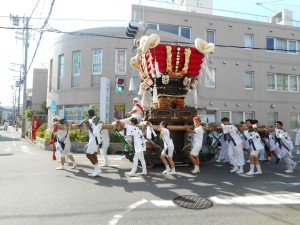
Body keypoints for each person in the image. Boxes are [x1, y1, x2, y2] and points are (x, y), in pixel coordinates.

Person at [77, 109, 102, 177]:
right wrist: (84, 122)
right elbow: (81, 124)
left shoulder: (94, 120)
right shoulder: (94, 119)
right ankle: (96, 169)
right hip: (95, 139)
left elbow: (95, 132)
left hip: (94, 139)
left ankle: (97, 169)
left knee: (88, 155)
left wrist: (88, 124)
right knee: (93, 154)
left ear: (88, 115)